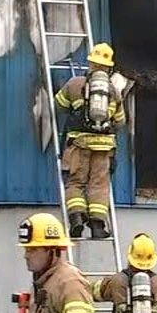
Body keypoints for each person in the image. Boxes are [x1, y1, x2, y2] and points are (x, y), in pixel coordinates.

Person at [56, 43, 126, 239]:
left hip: (78, 145)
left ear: (90, 63)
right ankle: (97, 227)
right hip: (104, 149)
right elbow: (120, 122)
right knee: (99, 185)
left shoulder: (75, 84)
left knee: (76, 182)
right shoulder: (114, 92)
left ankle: (76, 219)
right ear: (109, 67)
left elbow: (59, 105)